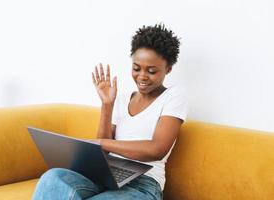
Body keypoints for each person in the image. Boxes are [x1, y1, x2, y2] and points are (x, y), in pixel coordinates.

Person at [32, 24, 188, 200]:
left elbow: (156, 149)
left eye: (151, 71)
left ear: (168, 69)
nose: (142, 76)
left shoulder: (173, 96)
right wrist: (107, 105)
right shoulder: (122, 99)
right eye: (136, 68)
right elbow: (103, 151)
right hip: (106, 174)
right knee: (53, 178)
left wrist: (102, 143)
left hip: (144, 184)